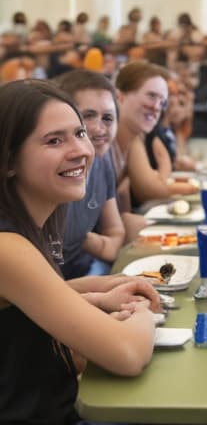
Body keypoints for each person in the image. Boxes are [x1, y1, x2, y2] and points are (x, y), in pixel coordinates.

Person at [0, 79, 162, 425]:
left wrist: (99, 291)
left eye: (78, 133)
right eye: (54, 140)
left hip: (54, 412)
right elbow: (128, 354)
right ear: (9, 160)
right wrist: (142, 317)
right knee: (179, 415)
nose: (80, 150)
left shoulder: (27, 228)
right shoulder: (8, 247)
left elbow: (26, 304)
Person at [55, 69, 125, 278]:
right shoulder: (51, 172)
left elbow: (116, 233)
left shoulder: (102, 162)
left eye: (108, 118)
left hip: (86, 272)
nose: (99, 128)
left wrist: (84, 239)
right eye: (88, 116)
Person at [112, 61, 198, 211]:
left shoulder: (135, 135)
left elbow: (123, 196)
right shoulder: (114, 139)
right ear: (120, 97)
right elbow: (150, 192)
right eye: (151, 96)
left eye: (162, 102)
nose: (157, 107)